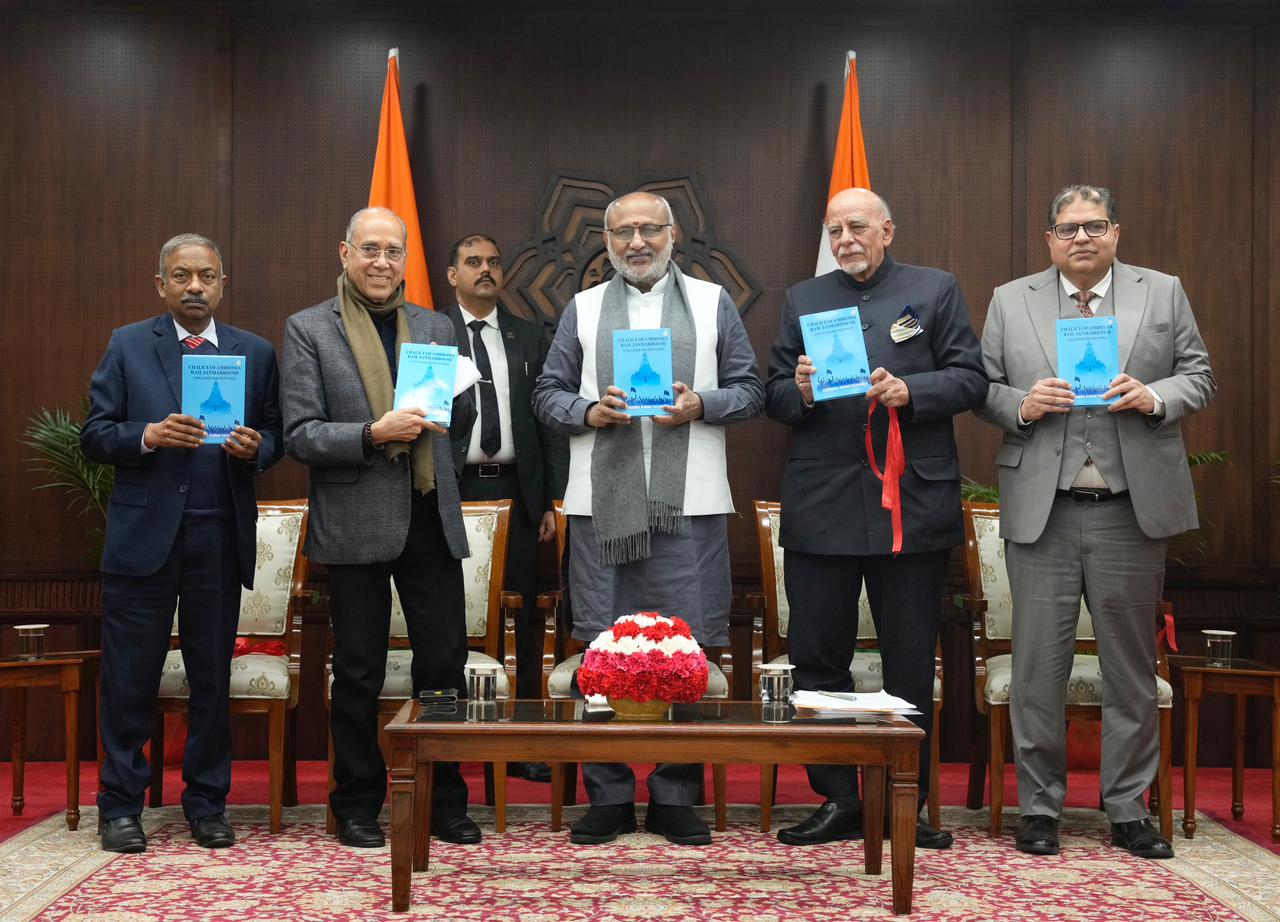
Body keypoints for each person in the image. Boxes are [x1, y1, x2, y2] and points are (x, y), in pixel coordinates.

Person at [975, 184, 1215, 859]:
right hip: (1043, 511)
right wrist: (1022, 405)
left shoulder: (1162, 292)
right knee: (1036, 668)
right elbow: (981, 386)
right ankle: (1039, 808)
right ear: (1049, 239)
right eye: (1068, 228)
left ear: (1116, 233)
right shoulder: (1010, 299)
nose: (1081, 237)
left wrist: (1153, 395)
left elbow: (1199, 375)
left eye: (1095, 225)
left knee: (1130, 668)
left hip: (1128, 511)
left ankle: (1128, 810)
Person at [533, 191, 763, 846]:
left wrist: (701, 405)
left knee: (687, 647)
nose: (637, 241)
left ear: (673, 234)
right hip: (601, 509)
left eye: (649, 229)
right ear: (607, 241)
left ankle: (675, 796)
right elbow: (547, 395)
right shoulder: (582, 309)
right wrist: (589, 413)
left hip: (689, 504)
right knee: (601, 645)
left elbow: (750, 390)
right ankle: (607, 795)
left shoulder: (714, 303)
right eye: (623, 231)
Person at [765, 188, 987, 850]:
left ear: (887, 230)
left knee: (910, 662)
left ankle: (903, 801)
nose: (846, 239)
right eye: (835, 230)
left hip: (910, 505)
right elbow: (773, 394)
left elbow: (971, 378)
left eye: (857, 227)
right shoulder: (803, 298)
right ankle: (838, 797)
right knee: (817, 658)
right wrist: (801, 390)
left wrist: (912, 390)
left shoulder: (935, 289)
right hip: (822, 503)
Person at [281, 207, 479, 849]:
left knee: (443, 666)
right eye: (370, 249)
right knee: (359, 670)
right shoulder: (310, 327)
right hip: (355, 520)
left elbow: (463, 413)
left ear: (405, 259)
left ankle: (444, 802)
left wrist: (448, 423)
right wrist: (372, 433)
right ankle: (357, 804)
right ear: (345, 253)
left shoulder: (436, 324)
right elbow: (301, 434)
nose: (382, 262)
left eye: (393, 251)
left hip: (428, 514)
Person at [82, 233, 283, 853]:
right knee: (130, 678)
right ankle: (121, 806)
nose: (195, 286)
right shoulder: (128, 344)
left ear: (223, 284)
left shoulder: (255, 352)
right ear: (161, 284)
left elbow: (276, 433)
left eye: (207, 276)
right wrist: (147, 435)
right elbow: (95, 435)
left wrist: (257, 448)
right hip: (144, 538)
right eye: (182, 276)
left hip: (217, 536)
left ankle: (207, 803)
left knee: (210, 678)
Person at [443, 233, 568, 783]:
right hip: (450, 491)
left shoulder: (528, 336)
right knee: (448, 615)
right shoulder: (430, 334)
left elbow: (549, 424)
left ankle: (519, 741)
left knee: (520, 618)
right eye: (473, 262)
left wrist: (551, 501)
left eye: (494, 262)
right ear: (453, 275)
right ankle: (450, 739)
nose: (486, 270)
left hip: (518, 495)